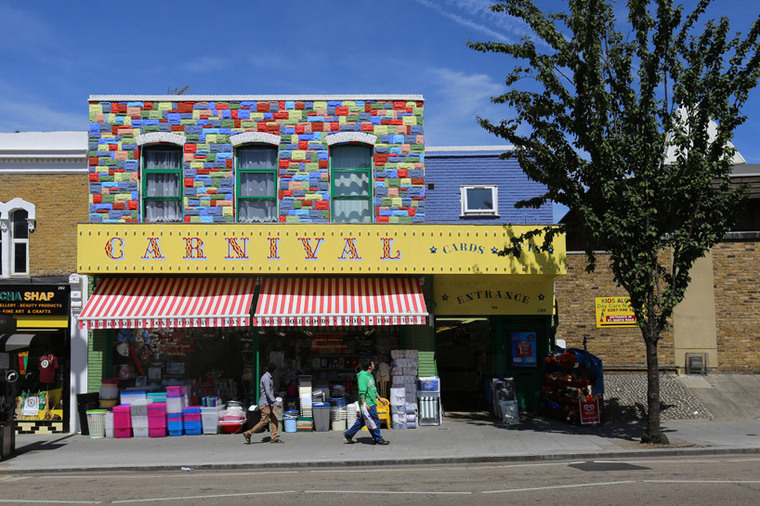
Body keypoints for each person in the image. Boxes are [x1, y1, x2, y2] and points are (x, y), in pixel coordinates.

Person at [344, 358, 389, 445]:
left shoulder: (370, 375)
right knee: (374, 420)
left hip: (372, 401)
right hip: (368, 403)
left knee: (363, 420)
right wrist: (365, 403)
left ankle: (348, 434)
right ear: (369, 366)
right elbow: (362, 391)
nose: (374, 365)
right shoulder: (362, 376)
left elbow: (373, 389)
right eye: (372, 364)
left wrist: (380, 399)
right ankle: (378, 439)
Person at [243, 363, 283, 444]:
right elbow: (268, 392)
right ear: (273, 370)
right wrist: (275, 402)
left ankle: (274, 437)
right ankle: (248, 433)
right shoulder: (266, 378)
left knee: (274, 419)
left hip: (269, 403)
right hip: (265, 403)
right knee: (264, 421)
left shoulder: (269, 377)